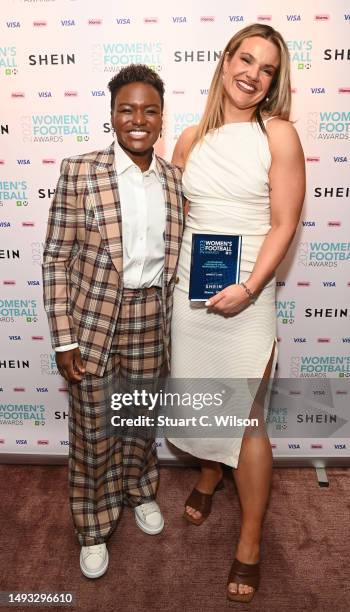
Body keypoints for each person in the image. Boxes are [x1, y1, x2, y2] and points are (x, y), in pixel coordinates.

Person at [168, 24, 305, 603]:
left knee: (249, 417)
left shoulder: (279, 135)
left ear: (274, 82)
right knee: (199, 396)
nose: (252, 73)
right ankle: (206, 473)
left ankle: (250, 538)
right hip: (191, 295)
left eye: (266, 68)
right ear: (225, 61)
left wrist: (250, 288)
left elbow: (284, 223)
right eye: (244, 59)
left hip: (248, 295)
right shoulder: (190, 137)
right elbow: (177, 218)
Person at [42, 64, 184, 579]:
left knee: (139, 420)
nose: (138, 119)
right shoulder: (79, 171)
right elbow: (56, 257)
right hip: (94, 321)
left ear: (162, 118)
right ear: (112, 116)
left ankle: (139, 491)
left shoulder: (173, 179)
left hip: (152, 316)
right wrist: (63, 337)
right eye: (127, 109)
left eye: (149, 110)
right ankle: (92, 523)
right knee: (94, 430)